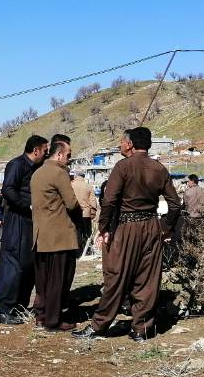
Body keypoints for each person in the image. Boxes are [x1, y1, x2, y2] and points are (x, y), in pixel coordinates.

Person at [73, 127, 181, 341]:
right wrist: (164, 228)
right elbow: (175, 204)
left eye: (122, 141)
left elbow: (109, 201)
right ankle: (141, 329)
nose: (120, 145)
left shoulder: (122, 167)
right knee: (147, 279)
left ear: (130, 144)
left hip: (125, 228)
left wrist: (103, 228)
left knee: (116, 276)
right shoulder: (159, 169)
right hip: (151, 226)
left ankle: (99, 326)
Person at [0, 135, 48, 324]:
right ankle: (3, 309)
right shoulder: (17, 165)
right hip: (17, 219)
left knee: (27, 264)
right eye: (45, 150)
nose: (46, 154)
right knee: (12, 264)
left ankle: (19, 306)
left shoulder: (39, 168)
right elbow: (8, 190)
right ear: (36, 150)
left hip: (31, 222)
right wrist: (28, 205)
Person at [30, 138, 81, 331]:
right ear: (59, 154)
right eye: (68, 155)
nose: (69, 159)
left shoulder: (38, 173)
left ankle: (42, 316)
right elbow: (71, 203)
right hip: (60, 236)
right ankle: (53, 320)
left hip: (40, 235)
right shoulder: (59, 173)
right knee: (59, 279)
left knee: (43, 280)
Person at [70, 171, 99, 253]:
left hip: (74, 213)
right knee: (87, 233)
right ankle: (87, 250)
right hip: (86, 213)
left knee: (76, 232)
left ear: (76, 176)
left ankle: (77, 251)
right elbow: (93, 201)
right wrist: (92, 213)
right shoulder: (88, 186)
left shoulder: (71, 185)